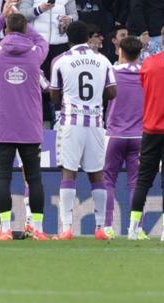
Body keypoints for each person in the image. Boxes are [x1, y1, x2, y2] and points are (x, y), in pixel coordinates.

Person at [0, 4, 49, 241]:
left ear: (6, 30)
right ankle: (37, 229)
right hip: (29, 127)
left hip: (1, 126)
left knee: (3, 178)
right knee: (34, 177)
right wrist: (21, 24)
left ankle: (5, 229)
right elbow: (41, 39)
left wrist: (3, 17)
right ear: (25, 29)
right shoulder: (35, 54)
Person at [49, 21, 115, 240]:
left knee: (69, 172)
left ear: (68, 39)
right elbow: (112, 91)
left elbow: (54, 94)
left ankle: (67, 227)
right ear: (88, 37)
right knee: (97, 174)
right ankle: (100, 228)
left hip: (71, 123)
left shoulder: (60, 61)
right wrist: (96, 99)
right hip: (95, 122)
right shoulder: (102, 59)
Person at [126, 22, 164, 240]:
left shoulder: (148, 63)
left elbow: (145, 86)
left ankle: (133, 228)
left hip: (150, 127)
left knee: (143, 179)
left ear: (162, 39)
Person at [100, 35, 143, 239]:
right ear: (140, 53)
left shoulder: (111, 71)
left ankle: (107, 226)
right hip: (140, 135)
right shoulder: (146, 74)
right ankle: (136, 229)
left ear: (120, 52)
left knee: (108, 180)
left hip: (114, 134)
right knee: (136, 182)